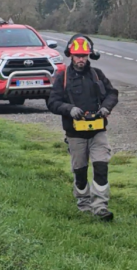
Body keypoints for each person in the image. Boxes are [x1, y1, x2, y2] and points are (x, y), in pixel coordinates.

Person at [48, 35, 119, 221]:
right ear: (70, 55)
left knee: (101, 166)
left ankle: (100, 206)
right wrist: (69, 109)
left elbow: (112, 94)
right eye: (78, 56)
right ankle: (83, 203)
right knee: (80, 171)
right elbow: (53, 102)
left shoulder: (97, 75)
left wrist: (106, 107)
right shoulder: (62, 78)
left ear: (89, 55)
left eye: (84, 56)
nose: (81, 59)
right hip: (75, 133)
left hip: (98, 132)